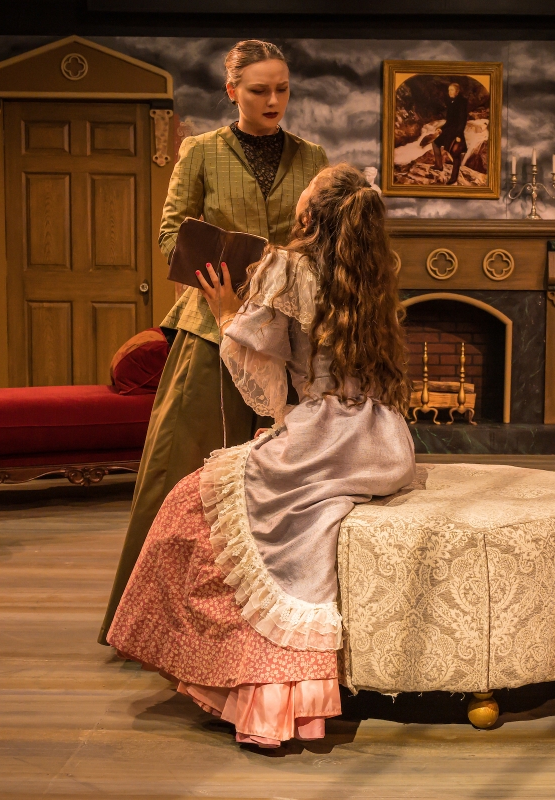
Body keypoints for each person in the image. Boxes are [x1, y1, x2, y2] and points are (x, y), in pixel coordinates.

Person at [106, 163, 415, 747]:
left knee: (190, 507)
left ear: (308, 213)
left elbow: (263, 370)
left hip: (323, 436)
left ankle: (248, 679)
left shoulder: (287, 266)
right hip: (381, 439)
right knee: (277, 513)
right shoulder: (375, 272)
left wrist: (225, 312)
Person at [98, 40, 328, 645]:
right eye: (259, 90)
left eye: (281, 88)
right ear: (232, 92)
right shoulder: (201, 151)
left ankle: (274, 621)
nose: (273, 100)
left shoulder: (313, 157)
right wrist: (222, 274)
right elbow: (172, 231)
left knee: (280, 474)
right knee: (181, 466)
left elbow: (321, 235)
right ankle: (147, 620)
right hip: (209, 326)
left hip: (284, 334)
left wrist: (283, 268)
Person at [431, 82, 469, 185]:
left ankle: (454, 178)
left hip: (456, 132)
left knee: (455, 153)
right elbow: (449, 121)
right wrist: (441, 129)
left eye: (451, 90)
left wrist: (458, 135)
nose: (449, 92)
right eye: (449, 90)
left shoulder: (462, 102)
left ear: (457, 92)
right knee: (435, 143)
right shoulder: (451, 102)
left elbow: (462, 121)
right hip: (449, 131)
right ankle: (439, 165)